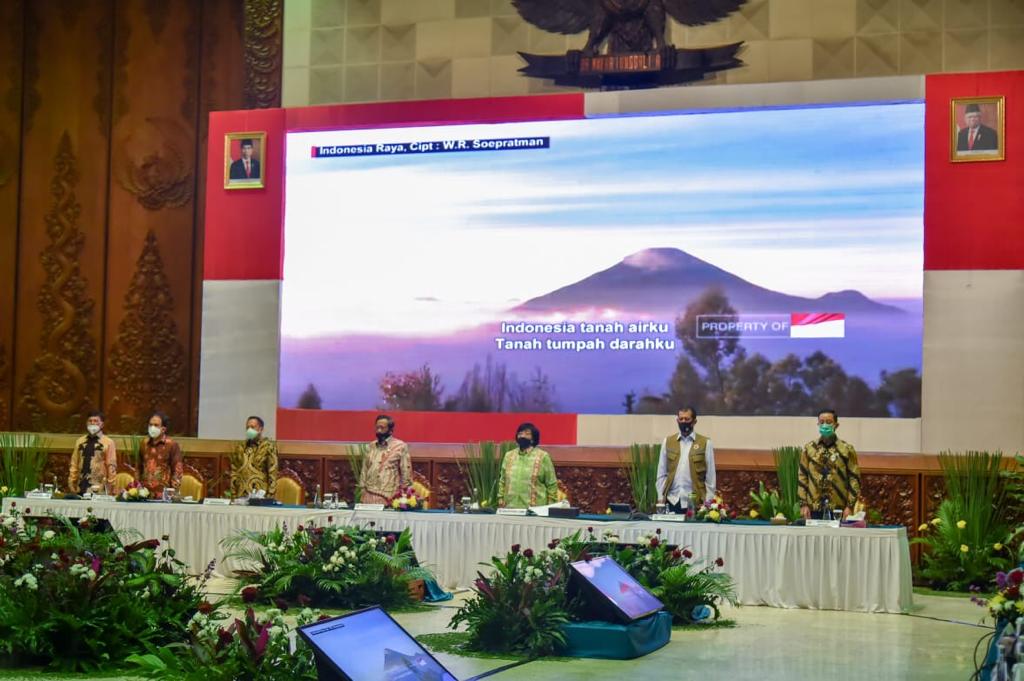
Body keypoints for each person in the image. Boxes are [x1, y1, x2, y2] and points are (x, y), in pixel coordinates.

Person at [798, 408, 861, 520]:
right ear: (818, 424)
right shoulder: (809, 448)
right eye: (821, 422)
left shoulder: (846, 450)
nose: (825, 425)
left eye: (829, 422)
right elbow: (802, 477)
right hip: (814, 508)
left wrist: (850, 506)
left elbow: (854, 478)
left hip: (838, 509)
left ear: (836, 425)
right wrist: (803, 504)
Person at [656, 406, 716, 512]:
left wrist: (708, 502)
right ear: (677, 420)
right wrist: (661, 498)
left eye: (687, 419)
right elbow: (661, 473)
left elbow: (710, 477)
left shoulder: (705, 443)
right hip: (672, 500)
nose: (683, 422)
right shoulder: (668, 441)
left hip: (695, 502)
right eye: (681, 419)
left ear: (694, 421)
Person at [496, 422, 559, 508]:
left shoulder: (543, 456)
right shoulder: (509, 456)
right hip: (510, 508)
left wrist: (550, 507)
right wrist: (500, 498)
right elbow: (503, 480)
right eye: (520, 433)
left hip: (535, 510)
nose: (522, 436)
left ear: (533, 438)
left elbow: (552, 484)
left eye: (527, 434)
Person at [358, 414, 411, 504]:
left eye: (382, 428)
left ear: (390, 431)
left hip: (388, 496)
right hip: (368, 494)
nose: (378, 431)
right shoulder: (371, 446)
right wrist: (362, 489)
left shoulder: (400, 446)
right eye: (377, 427)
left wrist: (404, 495)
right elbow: (365, 469)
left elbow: (406, 471)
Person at [68, 410, 118, 495]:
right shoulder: (80, 441)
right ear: (86, 423)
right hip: (80, 487)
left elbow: (111, 466)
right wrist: (71, 481)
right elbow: (74, 463)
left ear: (102, 424)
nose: (92, 423)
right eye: (90, 421)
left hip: (99, 487)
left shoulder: (108, 442)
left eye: (96, 421)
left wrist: (110, 485)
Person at [229, 415, 279, 498]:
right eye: (247, 427)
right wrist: (233, 493)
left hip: (259, 494)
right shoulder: (240, 447)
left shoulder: (268, 447)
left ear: (260, 429)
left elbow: (272, 472)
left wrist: (270, 494)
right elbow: (234, 471)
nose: (249, 430)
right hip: (241, 494)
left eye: (252, 427)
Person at [138, 411, 183, 495]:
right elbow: (138, 468)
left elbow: (177, 470)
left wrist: (173, 492)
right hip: (144, 493)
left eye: (156, 425)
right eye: (150, 425)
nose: (152, 427)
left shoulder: (172, 445)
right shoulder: (144, 443)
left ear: (163, 429)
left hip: (164, 494)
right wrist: (136, 488)